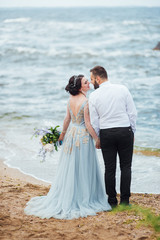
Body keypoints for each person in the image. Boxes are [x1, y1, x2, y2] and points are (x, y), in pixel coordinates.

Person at [24, 74, 111, 219]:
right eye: (85, 82)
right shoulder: (86, 101)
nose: (89, 83)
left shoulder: (70, 100)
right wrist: (97, 139)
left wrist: (62, 135)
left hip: (72, 134)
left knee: (72, 166)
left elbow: (67, 119)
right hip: (83, 137)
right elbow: (88, 124)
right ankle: (83, 198)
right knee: (83, 167)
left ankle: (71, 195)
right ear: (80, 87)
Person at [89, 66, 137, 207]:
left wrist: (98, 137)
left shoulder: (94, 96)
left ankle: (111, 201)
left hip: (107, 133)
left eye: (92, 79)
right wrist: (132, 131)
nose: (91, 83)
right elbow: (132, 113)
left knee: (109, 168)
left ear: (98, 78)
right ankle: (125, 201)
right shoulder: (122, 89)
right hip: (124, 131)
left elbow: (94, 120)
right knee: (126, 167)